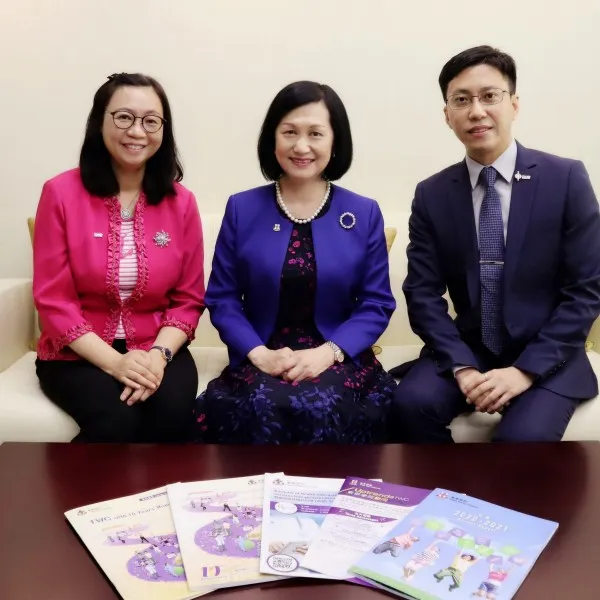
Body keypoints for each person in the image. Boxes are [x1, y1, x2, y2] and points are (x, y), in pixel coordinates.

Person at [390, 45, 600, 442]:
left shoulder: (566, 179)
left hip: (546, 353)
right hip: (469, 349)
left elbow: (587, 290)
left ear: (514, 104)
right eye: (461, 100)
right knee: (409, 406)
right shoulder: (432, 194)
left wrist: (524, 371)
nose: (476, 111)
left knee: (520, 440)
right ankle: (445, 485)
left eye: (490, 96)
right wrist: (462, 367)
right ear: (447, 114)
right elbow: (422, 293)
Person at [194, 80, 396, 444]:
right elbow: (223, 299)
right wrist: (259, 354)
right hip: (263, 353)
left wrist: (328, 354)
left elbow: (376, 304)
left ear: (335, 142)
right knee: (263, 403)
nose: (301, 146)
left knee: (322, 405)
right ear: (272, 140)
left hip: (335, 355)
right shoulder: (242, 208)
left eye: (315, 133)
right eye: (289, 132)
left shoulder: (363, 212)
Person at [33, 72, 205, 443]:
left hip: (157, 346)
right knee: (116, 418)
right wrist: (116, 363)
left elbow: (188, 299)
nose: (137, 131)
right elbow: (53, 300)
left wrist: (157, 356)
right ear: (100, 121)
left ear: (163, 130)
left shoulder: (182, 202)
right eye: (124, 117)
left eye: (151, 121)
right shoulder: (59, 193)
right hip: (77, 354)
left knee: (172, 412)